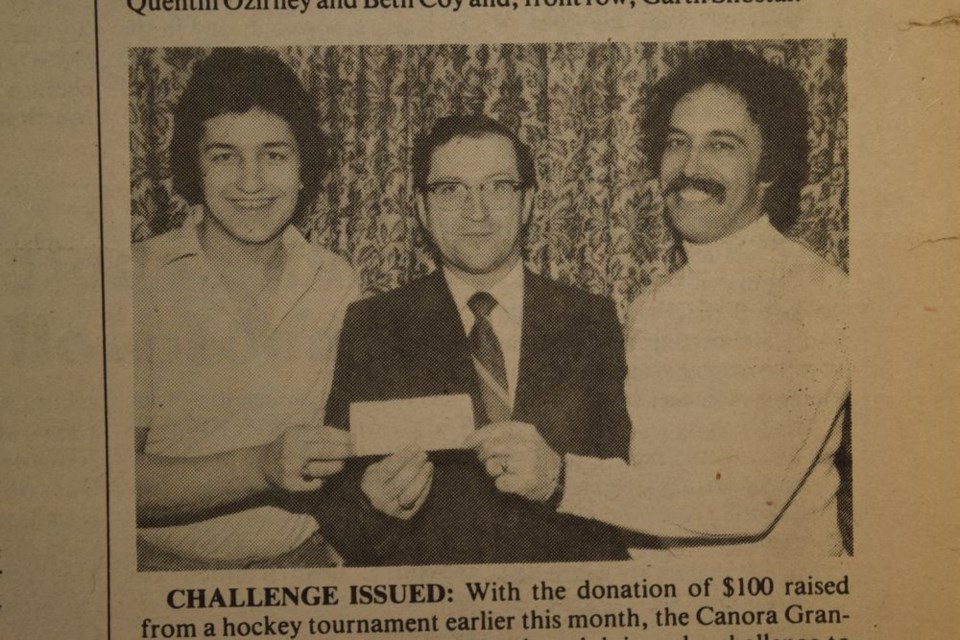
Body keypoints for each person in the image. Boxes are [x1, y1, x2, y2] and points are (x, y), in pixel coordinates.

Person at [476, 45, 851, 556]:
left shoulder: (817, 294)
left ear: (770, 169)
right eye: (678, 143)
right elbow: (637, 473)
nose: (690, 166)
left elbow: (745, 498)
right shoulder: (652, 305)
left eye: (722, 146)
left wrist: (561, 480)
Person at [310, 114, 631, 565]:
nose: (475, 211)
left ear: (528, 203)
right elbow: (336, 513)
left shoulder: (590, 321)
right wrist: (372, 508)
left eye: (498, 186)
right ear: (421, 208)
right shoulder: (374, 325)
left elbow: (624, 488)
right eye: (450, 189)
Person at [134, 49, 357, 570]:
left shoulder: (336, 280)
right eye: (225, 155)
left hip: (306, 565)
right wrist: (259, 467)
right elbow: (104, 480)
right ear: (196, 166)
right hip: (163, 572)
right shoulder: (139, 278)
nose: (251, 182)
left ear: (305, 169)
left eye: (274, 155)